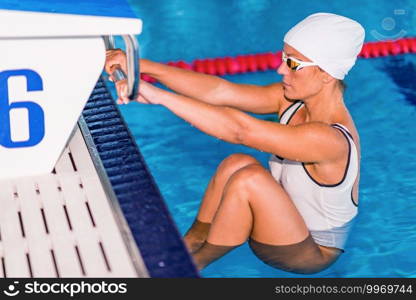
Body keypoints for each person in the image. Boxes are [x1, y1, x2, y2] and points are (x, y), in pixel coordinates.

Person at [105, 13, 364, 274]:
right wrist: (141, 66)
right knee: (236, 163)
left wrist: (159, 96)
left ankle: (191, 265)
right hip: (281, 218)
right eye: (283, 58)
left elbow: (241, 131)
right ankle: (189, 243)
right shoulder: (290, 100)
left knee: (249, 178)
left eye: (293, 64)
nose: (281, 69)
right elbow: (220, 92)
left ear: (326, 75)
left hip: (308, 252)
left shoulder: (329, 139)